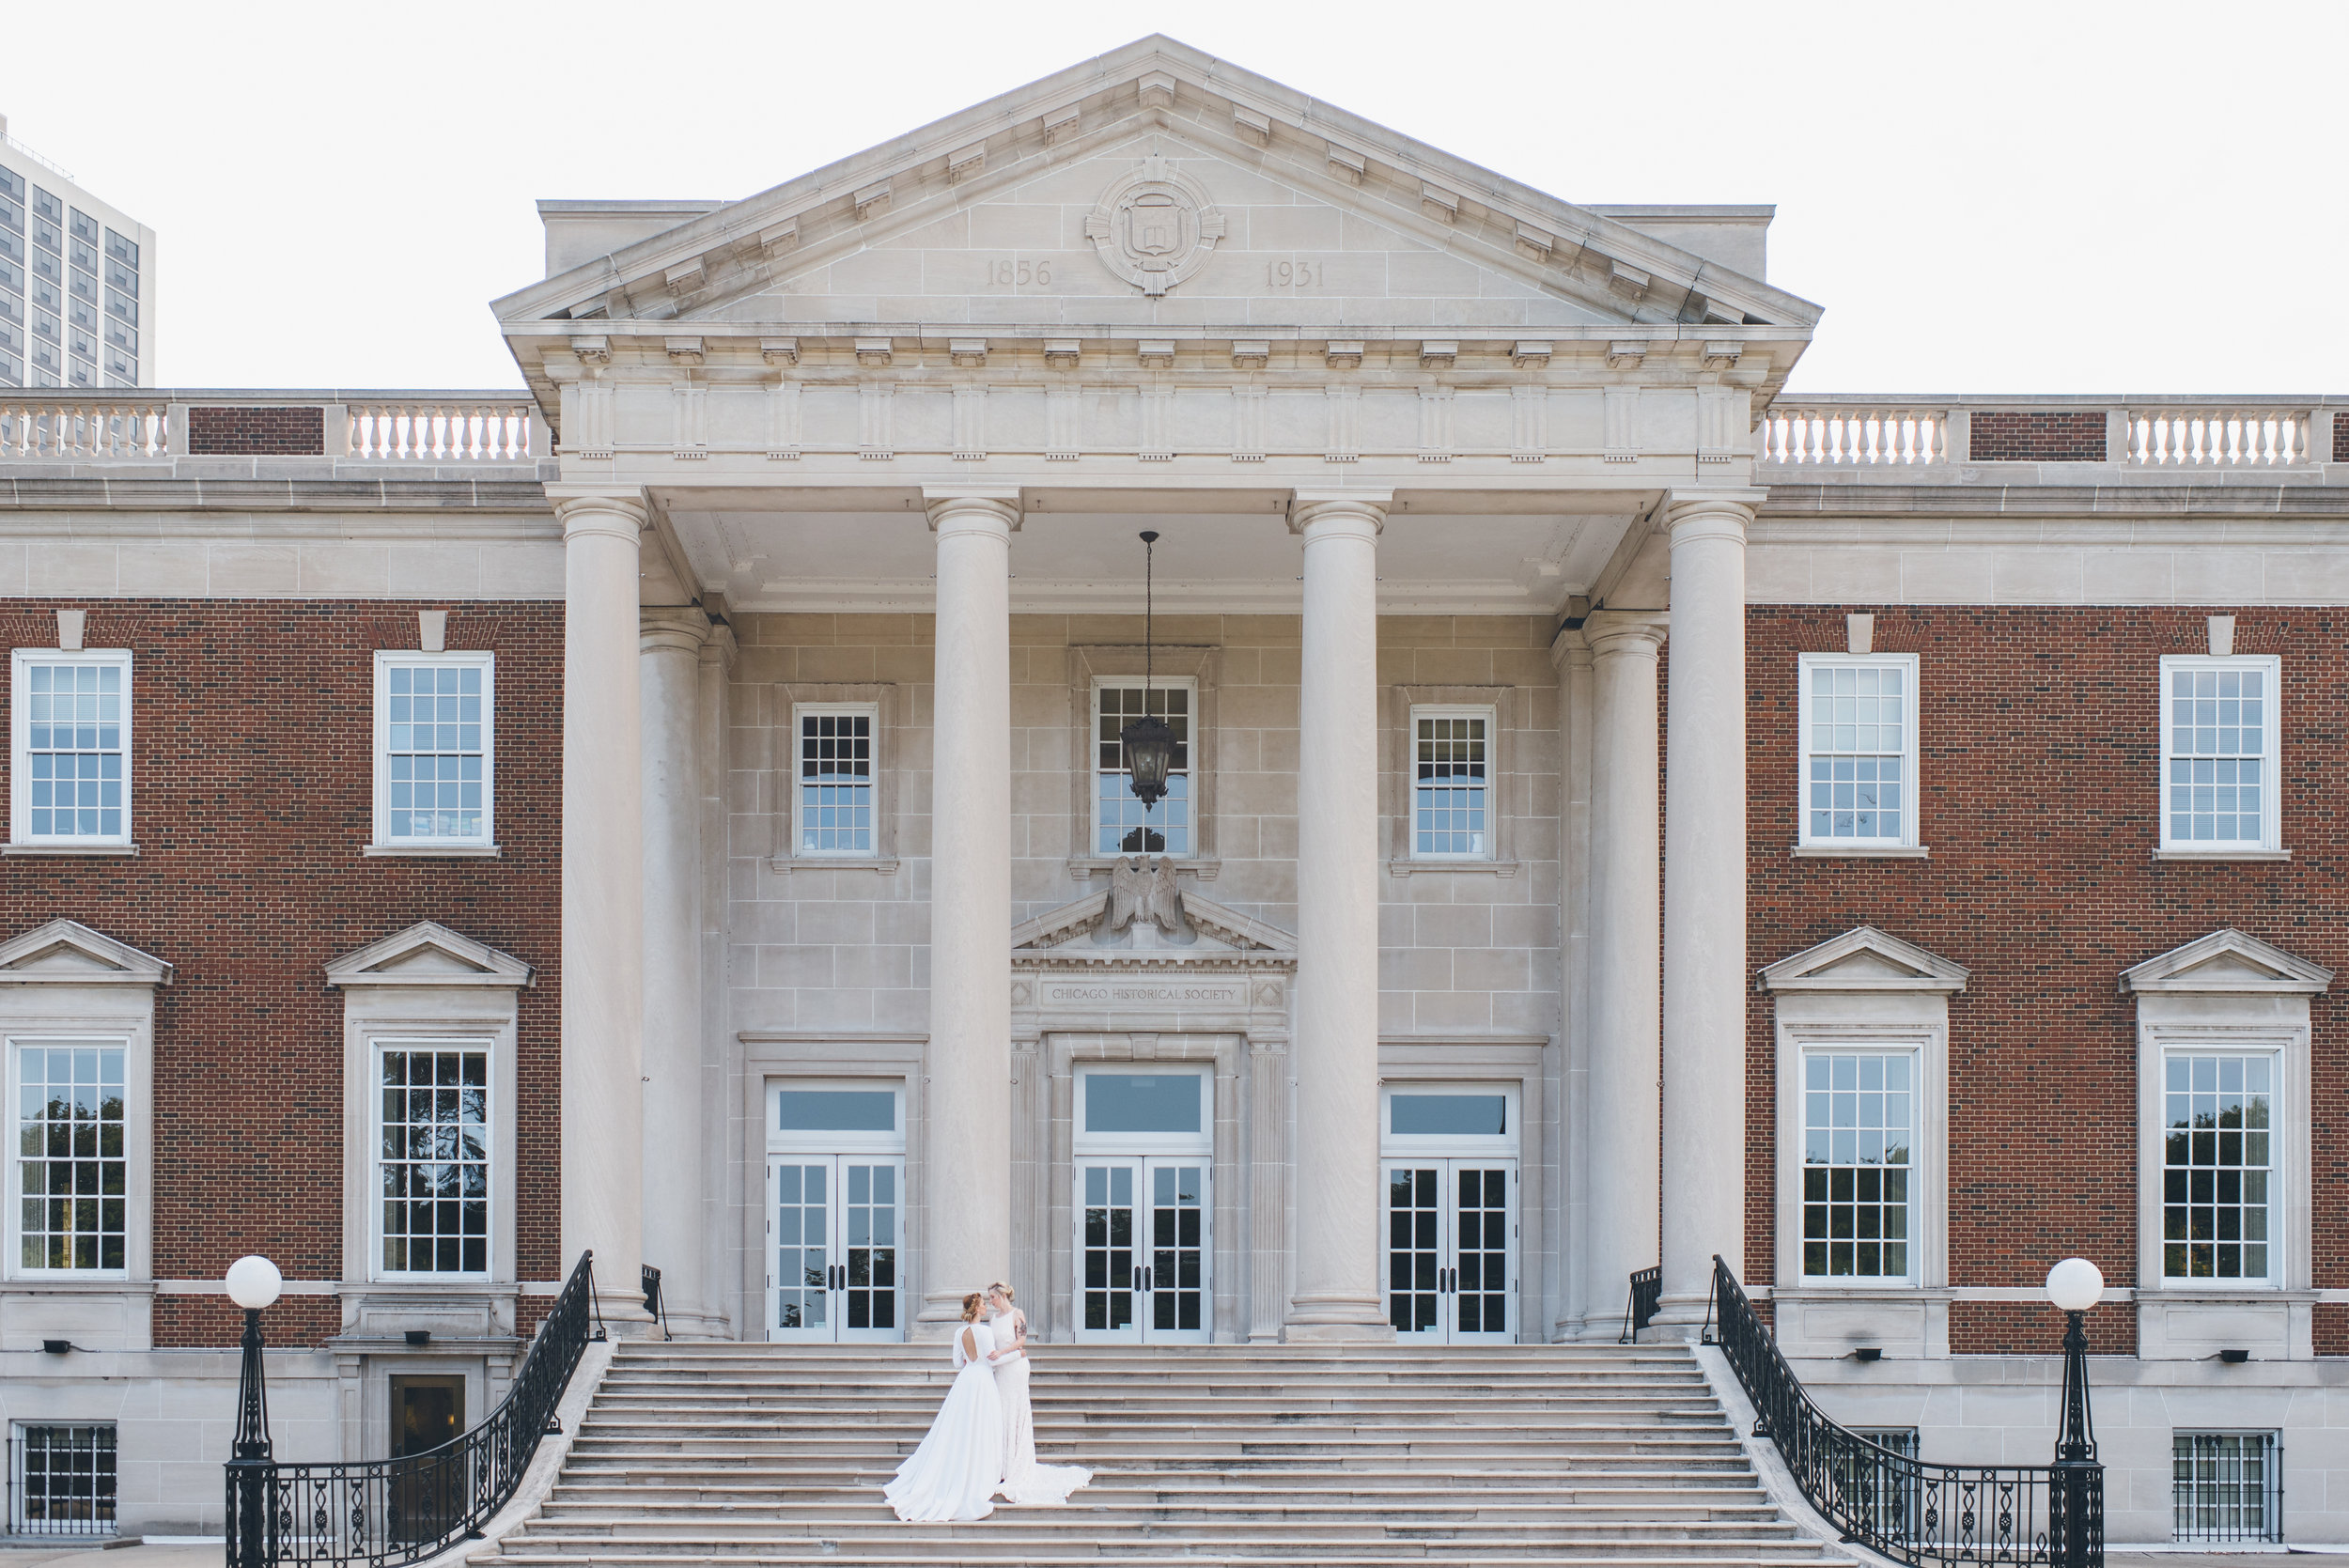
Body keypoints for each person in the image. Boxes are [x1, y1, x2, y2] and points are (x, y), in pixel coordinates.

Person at [881, 1292, 1014, 1522]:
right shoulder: (986, 1331)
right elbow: (993, 1359)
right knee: (985, 1425)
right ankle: (984, 1471)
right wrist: (1015, 1356)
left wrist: (968, 1361)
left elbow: (956, 1363)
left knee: (960, 1427)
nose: (986, 1307)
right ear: (977, 1308)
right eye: (983, 1304)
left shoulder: (959, 1332)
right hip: (983, 1379)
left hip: (966, 1379)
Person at [985, 1281, 1093, 1506]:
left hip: (1014, 1366)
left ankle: (1016, 1464)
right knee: (1002, 1412)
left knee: (1015, 1410)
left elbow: (1021, 1340)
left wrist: (1002, 1353)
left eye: (993, 1297)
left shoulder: (1017, 1314)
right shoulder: (992, 1319)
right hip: (1000, 1370)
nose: (990, 1302)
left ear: (1002, 1296)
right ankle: (1002, 1465)